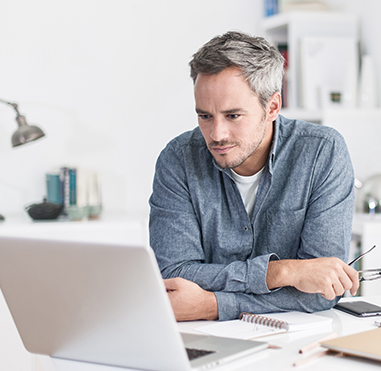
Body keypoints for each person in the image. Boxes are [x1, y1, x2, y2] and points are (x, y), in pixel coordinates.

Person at [149, 31, 358, 321]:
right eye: (205, 116)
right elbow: (174, 278)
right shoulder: (177, 160)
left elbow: (320, 293)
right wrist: (283, 272)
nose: (216, 134)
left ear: (271, 107)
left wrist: (212, 304)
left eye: (233, 116)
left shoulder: (322, 153)